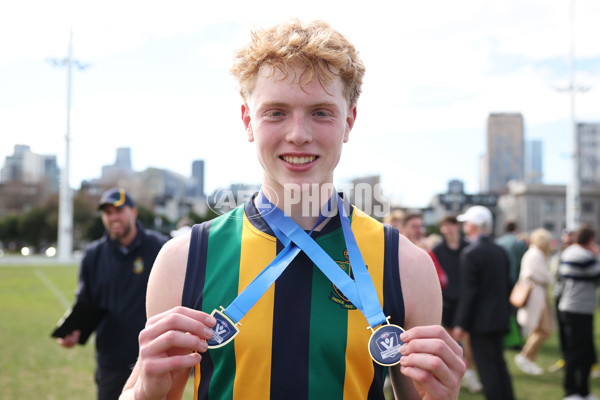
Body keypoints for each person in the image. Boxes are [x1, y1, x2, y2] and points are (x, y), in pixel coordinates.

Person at [119, 19, 465, 400]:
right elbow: (146, 390)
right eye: (276, 112)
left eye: (320, 112)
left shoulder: (407, 266)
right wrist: (142, 394)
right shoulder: (183, 259)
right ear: (248, 120)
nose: (298, 134)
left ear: (348, 121)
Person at [56, 188, 169, 400]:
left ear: (133, 212)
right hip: (111, 361)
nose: (113, 217)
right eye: (107, 212)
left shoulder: (161, 247)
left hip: (153, 359)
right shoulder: (93, 255)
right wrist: (72, 328)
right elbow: (85, 301)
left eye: (118, 210)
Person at [452, 205, 515, 400]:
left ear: (473, 226)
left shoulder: (471, 253)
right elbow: (508, 285)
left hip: (481, 321)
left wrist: (461, 323)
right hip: (500, 317)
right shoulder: (499, 250)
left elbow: (469, 293)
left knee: (488, 369)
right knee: (499, 364)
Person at [432, 215, 482, 393]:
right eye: (445, 225)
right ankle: (450, 377)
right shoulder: (437, 250)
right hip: (445, 301)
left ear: (457, 227)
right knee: (448, 341)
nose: (449, 229)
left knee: (468, 340)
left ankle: (470, 373)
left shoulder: (468, 248)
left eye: (452, 225)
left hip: (466, 300)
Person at [557, 224, 600, 400]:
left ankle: (581, 390)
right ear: (590, 239)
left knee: (581, 352)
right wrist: (597, 255)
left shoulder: (570, 252)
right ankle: (572, 391)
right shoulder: (585, 256)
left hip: (573, 307)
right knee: (576, 352)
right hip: (578, 309)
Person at [514, 228, 555, 375]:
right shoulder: (535, 254)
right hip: (536, 295)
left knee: (541, 329)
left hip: (539, 295)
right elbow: (542, 275)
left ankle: (530, 359)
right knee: (544, 329)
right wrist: (549, 277)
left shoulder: (535, 254)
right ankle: (525, 356)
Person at [548, 229, 576, 373]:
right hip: (561, 296)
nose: (567, 244)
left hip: (574, 299)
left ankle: (582, 363)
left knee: (578, 333)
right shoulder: (560, 255)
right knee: (563, 332)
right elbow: (555, 273)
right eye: (565, 241)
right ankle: (566, 359)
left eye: (570, 241)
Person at [400, 213, 448, 290]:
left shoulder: (426, 253)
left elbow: (442, 281)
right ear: (402, 229)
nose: (419, 230)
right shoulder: (394, 252)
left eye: (421, 226)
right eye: (414, 227)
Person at [496, 221, 527, 286]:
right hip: (514, 280)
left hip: (500, 280)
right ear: (515, 229)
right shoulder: (519, 243)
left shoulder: (497, 242)